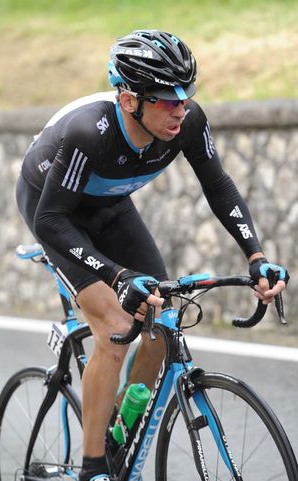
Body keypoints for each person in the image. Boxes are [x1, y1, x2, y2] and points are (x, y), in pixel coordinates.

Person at [16, 29, 289, 481]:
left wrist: (256, 256)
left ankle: (120, 429)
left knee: (161, 321)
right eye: (166, 99)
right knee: (118, 327)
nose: (180, 108)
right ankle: (93, 468)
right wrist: (116, 274)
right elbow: (51, 221)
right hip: (56, 211)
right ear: (129, 101)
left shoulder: (187, 123)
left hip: (111, 206)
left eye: (186, 96)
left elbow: (218, 187)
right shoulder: (90, 134)